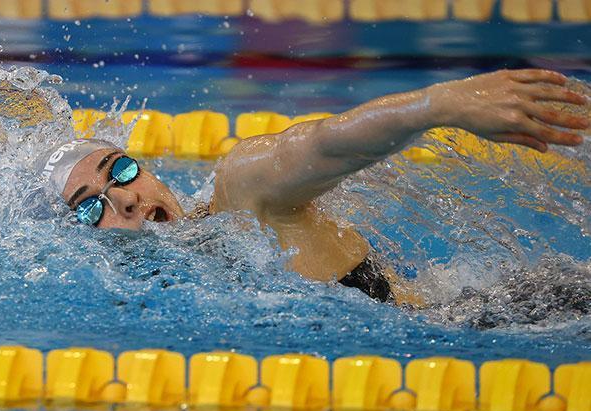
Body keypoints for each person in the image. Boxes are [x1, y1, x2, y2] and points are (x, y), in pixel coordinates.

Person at [38, 69, 588, 304]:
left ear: (149, 169)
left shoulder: (241, 197)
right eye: (91, 208)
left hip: (517, 311)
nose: (126, 196)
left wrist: (441, 104)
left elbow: (321, 143)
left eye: (123, 170)